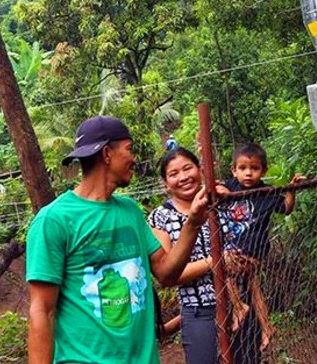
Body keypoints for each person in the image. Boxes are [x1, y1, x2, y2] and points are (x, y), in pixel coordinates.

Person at [26, 116, 209, 364]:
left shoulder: (130, 211)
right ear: (107, 154)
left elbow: (166, 273)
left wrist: (194, 222)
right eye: (129, 149)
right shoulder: (55, 220)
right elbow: (41, 310)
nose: (134, 158)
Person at [219, 143, 305, 360]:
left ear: (263, 171)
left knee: (221, 268)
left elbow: (286, 208)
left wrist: (292, 190)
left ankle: (239, 307)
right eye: (243, 168)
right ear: (234, 170)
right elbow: (216, 189)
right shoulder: (231, 186)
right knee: (254, 286)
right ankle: (266, 327)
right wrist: (225, 192)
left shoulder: (266, 193)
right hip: (236, 247)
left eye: (254, 168)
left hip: (251, 250)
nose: (248, 173)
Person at [147, 147, 230, 364]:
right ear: (165, 183)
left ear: (200, 170)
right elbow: (169, 274)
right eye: (173, 174)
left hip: (237, 302)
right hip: (198, 310)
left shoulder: (220, 204)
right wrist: (216, 261)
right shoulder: (160, 217)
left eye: (187, 168)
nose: (183, 177)